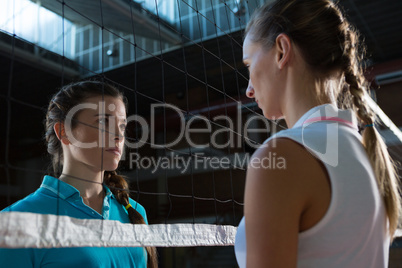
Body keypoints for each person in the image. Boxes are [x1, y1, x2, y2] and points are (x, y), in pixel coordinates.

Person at [234, 0, 401, 267]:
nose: (249, 90)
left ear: (281, 51)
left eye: (248, 65)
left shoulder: (280, 158)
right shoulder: (366, 152)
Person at [0, 80, 158, 268]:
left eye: (122, 126)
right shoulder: (15, 222)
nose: (119, 135)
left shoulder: (135, 212)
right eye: (102, 121)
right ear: (64, 132)